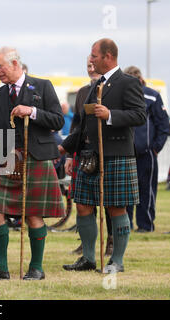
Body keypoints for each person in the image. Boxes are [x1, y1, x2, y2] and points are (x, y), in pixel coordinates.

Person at [0, 46, 65, 281]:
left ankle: (36, 268)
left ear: (15, 64)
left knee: (33, 214)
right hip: (7, 159)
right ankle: (1, 268)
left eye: (0, 66)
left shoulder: (42, 86)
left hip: (36, 158)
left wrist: (33, 111)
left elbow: (57, 120)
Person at [60, 38, 146, 274]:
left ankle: (116, 261)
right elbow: (81, 126)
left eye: (94, 56)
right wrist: (64, 148)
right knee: (84, 206)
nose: (91, 59)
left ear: (108, 56)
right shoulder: (94, 86)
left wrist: (110, 115)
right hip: (89, 156)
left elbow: (140, 115)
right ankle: (88, 258)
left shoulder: (128, 83)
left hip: (116, 154)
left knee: (116, 208)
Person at [67, 56, 114, 257]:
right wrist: (70, 154)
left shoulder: (113, 89)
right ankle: (87, 244)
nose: (91, 68)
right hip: (85, 152)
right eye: (88, 65)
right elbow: (76, 124)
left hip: (108, 152)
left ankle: (111, 240)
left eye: (94, 64)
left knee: (110, 202)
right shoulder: (83, 93)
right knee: (84, 201)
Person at [124, 66, 170, 232]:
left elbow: (164, 125)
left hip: (147, 153)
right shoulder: (122, 96)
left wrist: (155, 148)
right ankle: (125, 224)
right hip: (125, 152)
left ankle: (145, 225)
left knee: (147, 190)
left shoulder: (152, 95)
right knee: (125, 191)